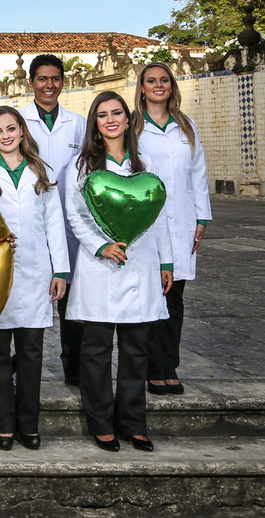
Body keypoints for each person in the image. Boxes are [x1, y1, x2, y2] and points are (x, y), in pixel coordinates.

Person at [65, 90, 173, 453]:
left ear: (128, 120)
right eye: (102, 115)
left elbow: (158, 217)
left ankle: (133, 423)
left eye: (116, 113)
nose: (110, 120)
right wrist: (102, 246)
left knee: (136, 350)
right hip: (100, 267)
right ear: (94, 124)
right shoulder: (81, 166)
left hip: (141, 265)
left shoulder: (145, 165)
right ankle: (101, 423)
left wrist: (166, 262)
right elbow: (76, 217)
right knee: (96, 350)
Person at [0, 106, 70, 451]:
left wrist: (60, 270)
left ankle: (28, 424)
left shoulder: (40, 171)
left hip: (35, 271)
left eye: (11, 129)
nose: (6, 136)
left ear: (22, 131)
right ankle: (4, 424)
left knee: (31, 353)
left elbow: (54, 224)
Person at [132, 63, 211, 396]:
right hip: (147, 224)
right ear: (142, 87)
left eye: (164, 80)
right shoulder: (133, 127)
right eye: (151, 81)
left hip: (181, 220)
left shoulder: (185, 126)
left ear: (171, 86)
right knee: (151, 296)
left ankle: (170, 367)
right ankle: (153, 368)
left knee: (174, 296)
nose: (158, 85)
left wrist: (202, 218)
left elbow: (198, 175)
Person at [21, 54, 87, 386]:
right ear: (31, 82)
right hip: (30, 221)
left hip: (71, 224)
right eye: (42, 79)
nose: (49, 85)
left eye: (55, 79)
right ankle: (20, 363)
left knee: (72, 299)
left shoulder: (79, 124)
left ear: (63, 81)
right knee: (24, 297)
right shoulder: (18, 121)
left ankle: (73, 368)